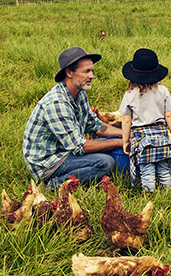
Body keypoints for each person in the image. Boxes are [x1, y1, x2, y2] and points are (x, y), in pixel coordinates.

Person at [23, 47, 124, 188]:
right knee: (105, 162)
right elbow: (80, 147)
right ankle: (53, 185)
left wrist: (124, 134)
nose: (92, 76)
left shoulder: (79, 93)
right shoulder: (57, 103)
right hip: (48, 162)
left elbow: (94, 125)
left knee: (109, 149)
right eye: (86, 71)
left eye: (92, 71)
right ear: (69, 72)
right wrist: (119, 142)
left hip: (65, 151)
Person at [119, 48, 171, 192]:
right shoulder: (163, 91)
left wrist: (125, 141)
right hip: (161, 137)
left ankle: (149, 196)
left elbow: (126, 121)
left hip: (141, 139)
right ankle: (168, 193)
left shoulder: (129, 95)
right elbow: (169, 115)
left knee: (147, 172)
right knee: (164, 170)